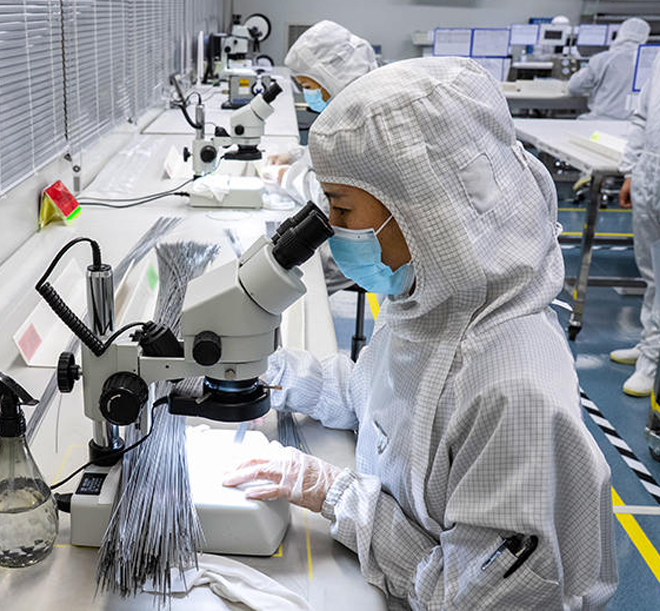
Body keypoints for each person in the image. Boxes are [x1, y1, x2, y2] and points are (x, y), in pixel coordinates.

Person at [224, 57, 617, 608]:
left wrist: (331, 491)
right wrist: (268, 372)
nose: (330, 229)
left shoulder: (513, 394)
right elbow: (372, 399)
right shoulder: (431, 305)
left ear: (425, 211)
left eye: (340, 209)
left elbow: (467, 597)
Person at [265, 20, 377, 294]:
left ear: (330, 76)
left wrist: (287, 177)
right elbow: (330, 157)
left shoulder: (360, 122)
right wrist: (295, 155)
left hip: (353, 247)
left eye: (307, 85)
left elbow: (332, 201)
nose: (307, 93)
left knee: (286, 288)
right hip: (348, 231)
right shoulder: (352, 106)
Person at [610, 52, 660, 397]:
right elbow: (643, 116)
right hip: (650, 173)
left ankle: (652, 362)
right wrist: (630, 170)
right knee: (651, 271)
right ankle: (649, 343)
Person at [568, 18, 651, 120]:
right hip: (635, 124)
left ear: (621, 33)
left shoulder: (602, 59)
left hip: (600, 121)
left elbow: (574, 87)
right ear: (645, 37)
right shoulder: (651, 62)